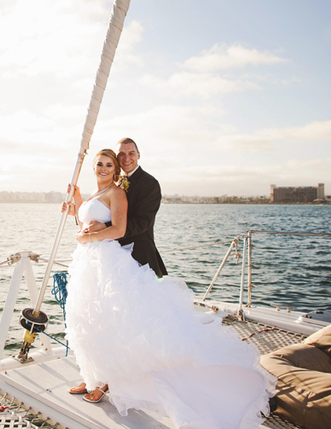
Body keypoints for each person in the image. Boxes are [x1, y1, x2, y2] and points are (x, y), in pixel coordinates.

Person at [61, 148, 275, 428]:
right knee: (91, 321)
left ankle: (106, 383)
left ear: (116, 170)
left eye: (108, 165)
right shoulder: (93, 194)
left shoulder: (116, 193)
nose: (103, 168)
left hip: (107, 263)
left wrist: (88, 234)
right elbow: (84, 226)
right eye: (99, 164)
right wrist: (77, 205)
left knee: (113, 323)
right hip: (89, 265)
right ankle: (92, 378)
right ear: (93, 167)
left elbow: (119, 230)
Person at [85, 138, 167, 277]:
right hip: (111, 255)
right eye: (121, 154)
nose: (126, 158)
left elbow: (142, 223)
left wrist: (105, 227)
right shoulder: (115, 183)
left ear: (138, 155)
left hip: (138, 256)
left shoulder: (150, 184)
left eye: (131, 153)